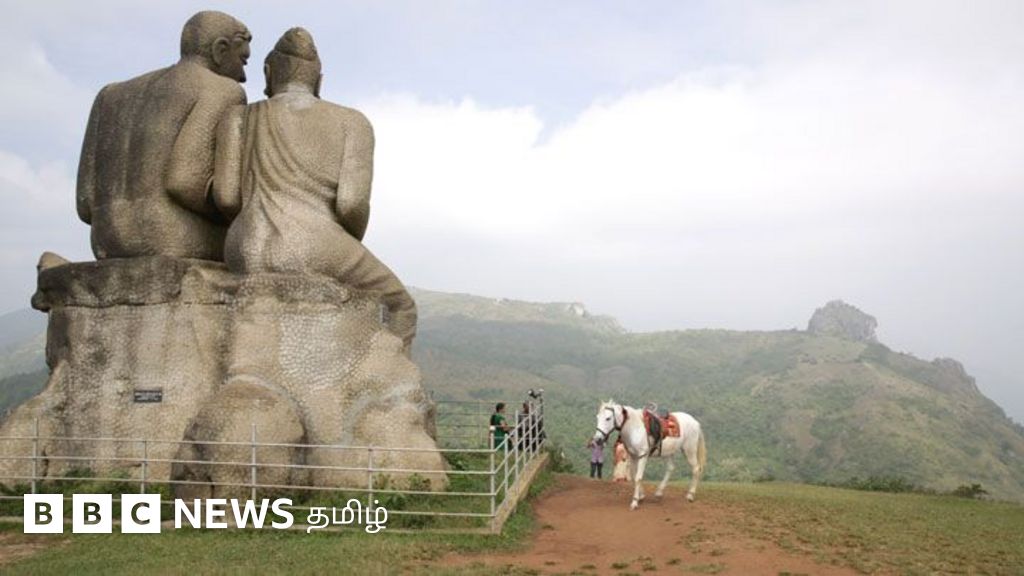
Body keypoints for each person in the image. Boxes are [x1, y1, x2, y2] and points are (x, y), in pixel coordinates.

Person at [212, 27, 417, 351]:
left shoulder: (238, 118)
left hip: (242, 245)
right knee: (399, 305)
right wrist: (343, 240)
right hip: (316, 243)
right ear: (319, 80)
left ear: (269, 73)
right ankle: (384, 386)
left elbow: (225, 195)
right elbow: (351, 205)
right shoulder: (352, 122)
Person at [77, 11, 251, 261]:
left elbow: (85, 204)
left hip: (106, 240)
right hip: (176, 238)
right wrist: (236, 216)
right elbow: (185, 182)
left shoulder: (109, 96)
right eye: (243, 61)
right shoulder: (222, 90)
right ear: (220, 50)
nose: (243, 76)